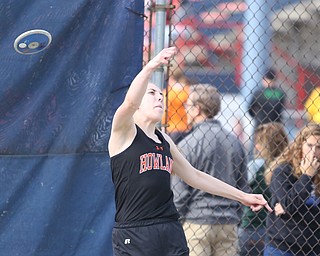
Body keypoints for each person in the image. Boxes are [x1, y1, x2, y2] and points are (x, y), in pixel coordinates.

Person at [108, 47, 272, 256]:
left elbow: (195, 176)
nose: (160, 98)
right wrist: (151, 65)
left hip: (169, 227)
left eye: (161, 94)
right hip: (135, 231)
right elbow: (130, 102)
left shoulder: (163, 139)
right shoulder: (123, 132)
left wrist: (242, 196)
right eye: (152, 93)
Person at [171, 83, 248, 256]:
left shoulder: (186, 144)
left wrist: (179, 220)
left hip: (196, 220)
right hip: (228, 221)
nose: (185, 109)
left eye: (188, 105)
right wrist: (236, 216)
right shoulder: (235, 142)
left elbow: (180, 193)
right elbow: (243, 185)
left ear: (197, 109)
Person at [264, 123, 320, 256]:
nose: (313, 152)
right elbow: (289, 205)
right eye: (310, 145)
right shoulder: (283, 171)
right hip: (283, 247)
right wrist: (307, 176)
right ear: (300, 145)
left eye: (318, 147)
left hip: (314, 247)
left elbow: (288, 207)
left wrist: (291, 209)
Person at [238, 122, 289, 256]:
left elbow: (242, 186)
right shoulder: (288, 168)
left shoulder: (255, 166)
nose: (256, 146)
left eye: (259, 142)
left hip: (251, 226)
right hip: (277, 230)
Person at [162, 69, 191, 143]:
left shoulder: (168, 93)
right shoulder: (188, 91)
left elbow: (164, 113)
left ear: (170, 78)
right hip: (187, 129)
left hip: (172, 129)